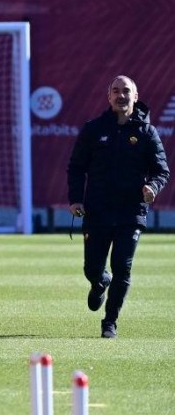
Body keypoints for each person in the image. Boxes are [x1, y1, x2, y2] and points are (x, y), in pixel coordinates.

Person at [67, 75, 169, 339]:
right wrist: (76, 199)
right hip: (97, 210)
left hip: (130, 211)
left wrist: (152, 188)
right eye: (116, 91)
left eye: (126, 91)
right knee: (92, 268)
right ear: (108, 96)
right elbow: (76, 167)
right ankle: (100, 281)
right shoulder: (94, 129)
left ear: (135, 97)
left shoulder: (147, 132)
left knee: (123, 266)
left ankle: (110, 322)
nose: (121, 95)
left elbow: (162, 171)